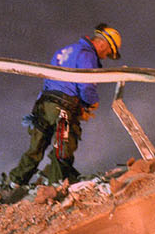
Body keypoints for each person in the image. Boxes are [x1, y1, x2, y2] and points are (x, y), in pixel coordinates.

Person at [10, 23, 122, 185]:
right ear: (103, 43)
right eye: (108, 53)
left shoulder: (65, 51)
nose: (105, 57)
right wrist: (90, 104)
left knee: (35, 148)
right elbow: (86, 83)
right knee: (63, 150)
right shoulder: (87, 55)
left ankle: (14, 184)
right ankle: (55, 186)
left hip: (44, 105)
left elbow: (47, 79)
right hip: (63, 108)